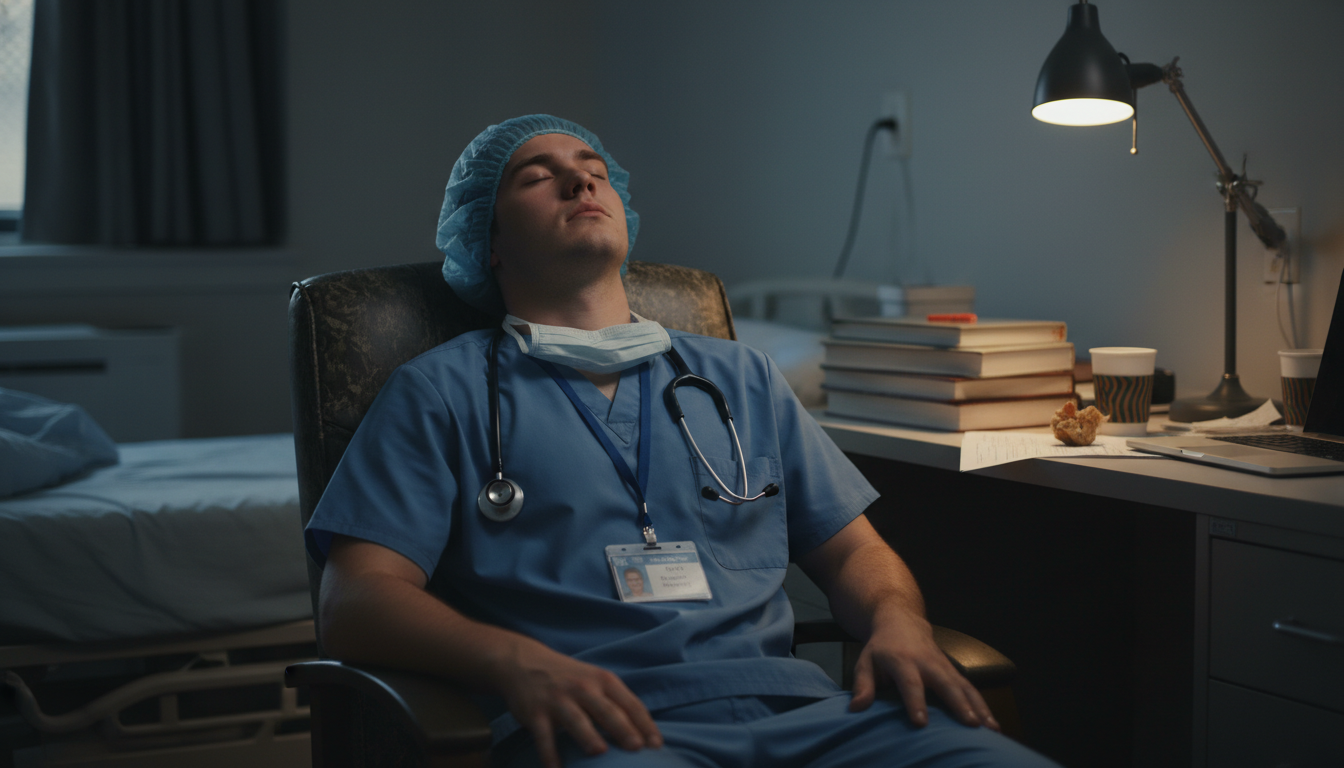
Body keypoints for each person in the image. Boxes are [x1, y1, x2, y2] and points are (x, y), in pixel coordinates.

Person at [305, 114, 1058, 768]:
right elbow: (356, 600)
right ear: (488, 241)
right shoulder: (441, 392)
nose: (580, 182)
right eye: (537, 176)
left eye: (595, 171)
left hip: (811, 716)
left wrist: (899, 624)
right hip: (600, 726)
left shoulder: (741, 377)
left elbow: (854, 552)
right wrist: (511, 663)